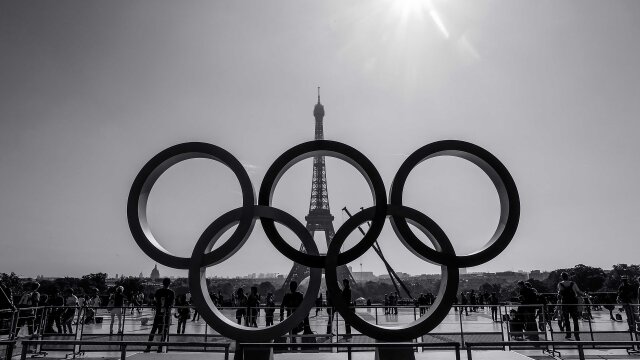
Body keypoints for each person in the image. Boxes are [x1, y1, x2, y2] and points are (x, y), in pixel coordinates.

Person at [145, 278, 175, 353]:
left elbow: (155, 301)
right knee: (164, 331)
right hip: (166, 314)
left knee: (154, 329)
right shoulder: (171, 292)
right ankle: (160, 347)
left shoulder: (158, 291)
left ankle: (148, 347)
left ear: (163, 283)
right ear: (169, 284)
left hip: (158, 313)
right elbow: (172, 304)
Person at [558, 272, 584, 340]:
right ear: (568, 276)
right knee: (575, 319)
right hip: (573, 303)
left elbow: (560, 294)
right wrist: (584, 294)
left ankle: (568, 334)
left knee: (566, 320)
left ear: (562, 277)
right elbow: (578, 292)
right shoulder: (573, 283)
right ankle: (576, 333)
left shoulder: (560, 284)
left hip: (565, 303)